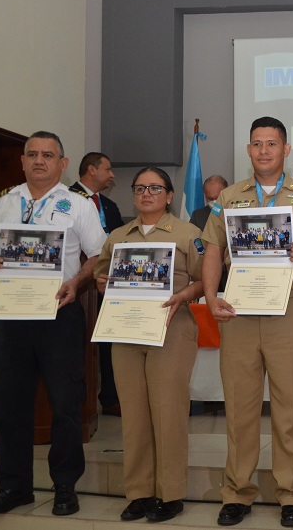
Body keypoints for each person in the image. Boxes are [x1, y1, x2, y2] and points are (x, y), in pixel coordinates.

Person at [201, 116, 293, 528]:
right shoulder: (229, 196)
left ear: (286, 149)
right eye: (256, 144)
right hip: (238, 311)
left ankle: (292, 493)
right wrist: (209, 296)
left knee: (290, 407)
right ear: (248, 150)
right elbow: (210, 248)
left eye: (271, 144)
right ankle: (237, 492)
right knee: (239, 409)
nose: (263, 151)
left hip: (287, 311)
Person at [0, 131, 107, 517]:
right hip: (13, 316)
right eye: (32, 154)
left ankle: (65, 487)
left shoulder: (78, 205)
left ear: (62, 164)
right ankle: (13, 487)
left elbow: (99, 255)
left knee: (66, 404)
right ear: (22, 161)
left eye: (48, 155)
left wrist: (76, 283)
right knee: (10, 404)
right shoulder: (5, 202)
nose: (39, 161)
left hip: (59, 314)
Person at [93, 167, 204, 523]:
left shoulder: (189, 234)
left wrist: (186, 293)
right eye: (140, 188)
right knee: (134, 414)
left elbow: (207, 279)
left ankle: (170, 493)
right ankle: (139, 492)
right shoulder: (118, 236)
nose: (146, 194)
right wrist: (100, 281)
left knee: (168, 411)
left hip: (171, 329)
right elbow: (100, 273)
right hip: (126, 331)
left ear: (170, 195)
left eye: (155, 188)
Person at [73, 151, 125, 417]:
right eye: (108, 169)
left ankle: (110, 397)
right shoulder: (66, 199)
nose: (112, 174)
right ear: (91, 170)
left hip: (107, 283)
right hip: (78, 285)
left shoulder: (110, 206)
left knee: (108, 339)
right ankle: (79, 401)